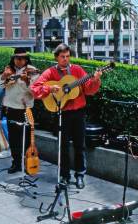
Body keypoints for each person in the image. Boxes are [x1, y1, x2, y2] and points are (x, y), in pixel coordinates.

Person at [31, 43, 102, 189]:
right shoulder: (50, 72)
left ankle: (80, 175)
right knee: (62, 146)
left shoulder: (77, 70)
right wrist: (49, 88)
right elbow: (35, 89)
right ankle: (64, 175)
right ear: (56, 57)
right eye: (62, 57)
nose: (66, 59)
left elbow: (89, 90)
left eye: (68, 56)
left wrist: (95, 79)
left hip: (79, 113)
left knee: (79, 146)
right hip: (62, 113)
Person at [0, 48, 39, 174]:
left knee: (27, 139)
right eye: (17, 58)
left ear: (26, 59)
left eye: (22, 58)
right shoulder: (9, 69)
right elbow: (0, 85)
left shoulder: (32, 70)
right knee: (14, 138)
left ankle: (27, 163)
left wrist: (25, 81)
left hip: (25, 108)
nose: (19, 61)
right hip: (10, 107)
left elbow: (35, 90)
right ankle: (16, 163)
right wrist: (4, 76)